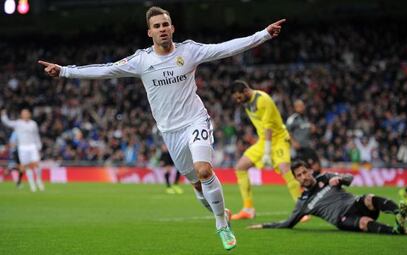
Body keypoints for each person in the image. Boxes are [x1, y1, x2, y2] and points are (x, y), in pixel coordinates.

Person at [38, 6, 287, 250]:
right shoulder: (141, 60)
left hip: (195, 121)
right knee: (197, 185)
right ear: (150, 32)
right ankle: (222, 211)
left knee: (203, 169)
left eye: (165, 24)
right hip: (170, 131)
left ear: (172, 27)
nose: (162, 29)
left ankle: (221, 224)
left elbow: (226, 48)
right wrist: (64, 72)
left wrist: (263, 34)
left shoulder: (189, 51)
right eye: (156, 26)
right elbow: (107, 69)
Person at [248, 160, 407, 235]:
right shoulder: (303, 203)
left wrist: (340, 179)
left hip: (354, 203)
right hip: (342, 219)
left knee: (369, 198)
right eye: (299, 175)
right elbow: (287, 223)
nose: (304, 176)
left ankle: (402, 213)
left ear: (310, 171)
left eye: (305, 172)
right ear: (296, 179)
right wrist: (263, 225)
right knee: (363, 222)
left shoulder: (326, 177)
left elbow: (350, 178)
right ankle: (396, 231)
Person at [230, 80, 301, 220]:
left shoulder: (264, 100)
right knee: (240, 167)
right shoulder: (247, 103)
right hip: (263, 140)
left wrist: (267, 152)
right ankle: (248, 208)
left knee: (285, 168)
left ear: (245, 91)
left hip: (278, 138)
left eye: (239, 97)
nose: (238, 101)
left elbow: (268, 127)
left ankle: (301, 207)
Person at [1, 109, 44, 192]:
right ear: (21, 115)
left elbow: (36, 135)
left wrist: (39, 145)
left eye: (27, 113)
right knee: (27, 167)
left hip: (32, 146)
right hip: (23, 147)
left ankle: (39, 180)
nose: (25, 115)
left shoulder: (33, 124)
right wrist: (3, 115)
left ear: (29, 114)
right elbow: (8, 123)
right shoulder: (18, 123)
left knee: (37, 164)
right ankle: (32, 185)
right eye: (24, 113)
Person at [286, 99, 321, 175]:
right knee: (302, 169)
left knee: (316, 167)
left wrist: (312, 129)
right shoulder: (292, 119)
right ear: (295, 108)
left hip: (308, 146)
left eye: (302, 106)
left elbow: (309, 130)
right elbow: (287, 132)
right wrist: (293, 142)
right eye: (299, 106)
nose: (302, 108)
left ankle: (315, 184)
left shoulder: (306, 118)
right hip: (299, 149)